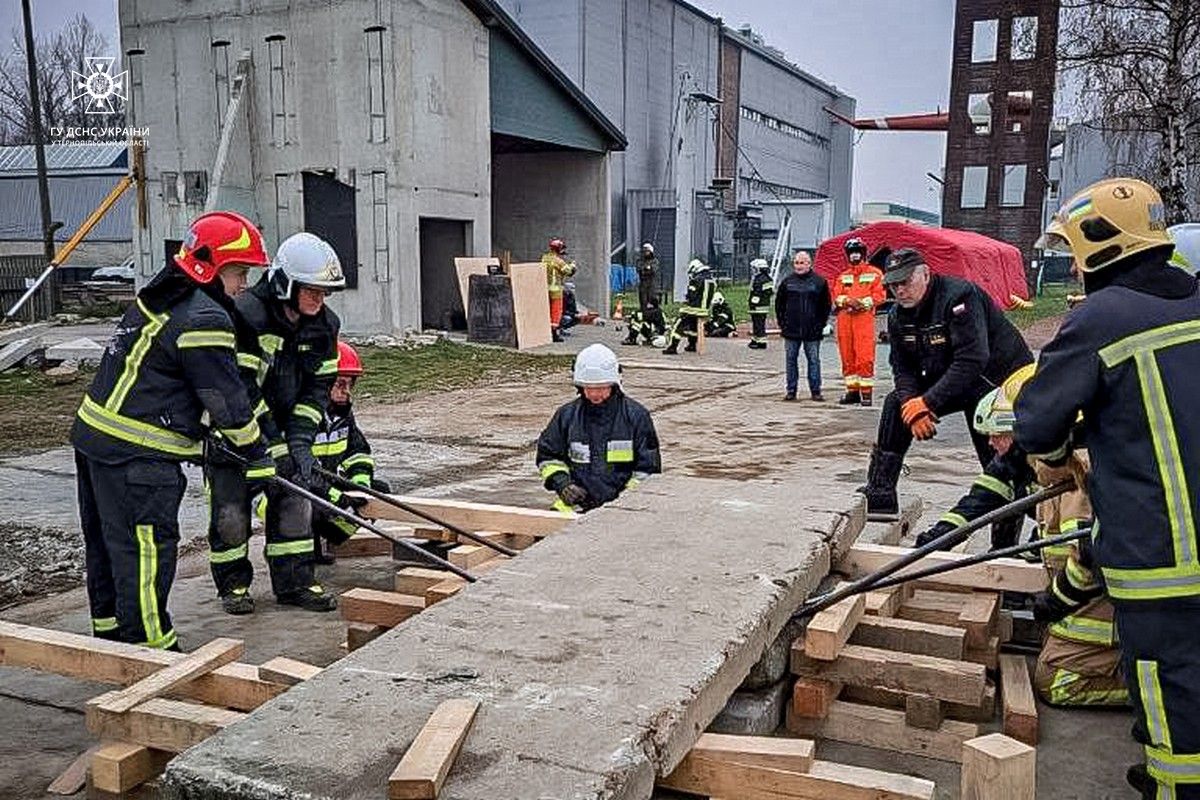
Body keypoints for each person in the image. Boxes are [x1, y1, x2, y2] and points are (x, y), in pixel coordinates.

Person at [1013, 177, 1200, 799]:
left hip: (1162, 556)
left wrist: (1064, 454)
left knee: (1167, 686)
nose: (1071, 263)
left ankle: (1172, 785)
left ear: (1102, 243)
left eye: (1074, 249)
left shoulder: (1101, 319)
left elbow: (1037, 423)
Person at [71, 211, 274, 649]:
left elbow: (169, 379)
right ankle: (152, 651)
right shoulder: (205, 317)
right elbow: (224, 399)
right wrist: (258, 456)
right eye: (239, 272)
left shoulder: (163, 295)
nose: (242, 285)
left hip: (95, 441)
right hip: (136, 455)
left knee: (109, 549)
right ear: (212, 268)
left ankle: (109, 643)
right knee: (146, 553)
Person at [915, 367, 1126, 708]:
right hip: (1083, 593)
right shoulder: (1029, 461)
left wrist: (1055, 600)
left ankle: (1146, 688)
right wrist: (941, 534)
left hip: (1101, 603)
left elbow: (1091, 556)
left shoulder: (1081, 481)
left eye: (998, 433)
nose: (990, 442)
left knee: (1055, 681)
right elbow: (981, 500)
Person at [208, 232, 345, 614]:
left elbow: (317, 389)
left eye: (324, 293)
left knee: (295, 507)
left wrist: (299, 444)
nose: (320, 300)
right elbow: (242, 390)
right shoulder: (247, 315)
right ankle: (233, 586)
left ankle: (296, 583)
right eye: (313, 291)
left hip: (285, 432)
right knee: (231, 515)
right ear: (286, 284)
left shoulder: (323, 325)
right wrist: (272, 445)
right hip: (237, 436)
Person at [862, 248, 1032, 519]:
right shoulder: (897, 316)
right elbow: (903, 367)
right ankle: (881, 492)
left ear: (926, 274)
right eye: (893, 285)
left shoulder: (959, 297)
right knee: (896, 404)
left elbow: (972, 360)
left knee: (996, 455)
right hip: (957, 379)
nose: (900, 290)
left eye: (905, 282)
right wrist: (912, 405)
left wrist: (928, 402)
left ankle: (1006, 534)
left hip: (998, 382)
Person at [535, 344, 661, 513]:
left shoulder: (636, 416)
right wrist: (563, 485)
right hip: (577, 502)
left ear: (614, 384)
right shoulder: (566, 416)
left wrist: (626, 501)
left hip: (624, 506)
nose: (594, 394)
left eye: (601, 388)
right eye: (589, 388)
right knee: (552, 534)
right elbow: (548, 457)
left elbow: (648, 470)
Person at [307, 341, 389, 563]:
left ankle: (330, 537)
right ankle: (294, 556)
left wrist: (360, 486)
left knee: (379, 492)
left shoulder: (343, 416)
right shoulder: (303, 417)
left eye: (350, 385)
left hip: (324, 487)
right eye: (340, 384)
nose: (346, 392)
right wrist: (337, 497)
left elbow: (359, 452)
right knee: (310, 508)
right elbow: (301, 471)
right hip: (292, 491)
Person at [832, 237, 886, 406]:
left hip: (864, 319)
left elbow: (880, 295)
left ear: (863, 254)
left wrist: (861, 304)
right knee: (847, 357)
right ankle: (852, 391)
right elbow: (836, 295)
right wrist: (847, 302)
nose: (854, 256)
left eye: (857, 252)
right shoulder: (843, 276)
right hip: (845, 319)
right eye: (851, 253)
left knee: (864, 357)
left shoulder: (875, 273)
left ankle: (866, 394)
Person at [774, 250, 831, 401]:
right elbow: (779, 304)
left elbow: (825, 306)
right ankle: (791, 390)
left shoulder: (819, 282)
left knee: (813, 360)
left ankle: (815, 391)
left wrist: (820, 324)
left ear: (809, 264)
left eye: (802, 263)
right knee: (791, 360)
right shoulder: (787, 282)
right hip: (791, 330)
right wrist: (782, 323)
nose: (798, 266)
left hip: (812, 331)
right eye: (796, 263)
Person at [662, 259, 716, 355]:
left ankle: (672, 347)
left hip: (694, 308)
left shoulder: (696, 279)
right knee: (693, 327)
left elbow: (691, 295)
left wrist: (687, 297)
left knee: (678, 325)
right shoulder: (711, 279)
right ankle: (692, 345)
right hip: (705, 309)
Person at [542, 238, 576, 343]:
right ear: (559, 249)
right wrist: (573, 265)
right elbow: (569, 272)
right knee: (556, 313)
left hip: (544, 290)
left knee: (546, 312)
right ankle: (554, 334)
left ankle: (545, 332)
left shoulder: (544, 258)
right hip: (556, 291)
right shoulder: (559, 261)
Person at [747, 258, 773, 350]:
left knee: (758, 324)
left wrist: (753, 302)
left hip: (758, 306)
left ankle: (761, 342)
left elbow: (758, 293)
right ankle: (756, 340)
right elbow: (769, 292)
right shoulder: (767, 278)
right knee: (758, 323)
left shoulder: (760, 279)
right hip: (762, 305)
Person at [636, 242, 659, 311]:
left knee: (652, 298)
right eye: (644, 251)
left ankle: (653, 312)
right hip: (643, 282)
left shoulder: (654, 261)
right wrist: (645, 269)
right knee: (643, 299)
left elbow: (654, 270)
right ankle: (644, 312)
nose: (646, 253)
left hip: (651, 283)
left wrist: (649, 268)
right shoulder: (640, 261)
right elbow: (639, 269)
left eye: (647, 251)